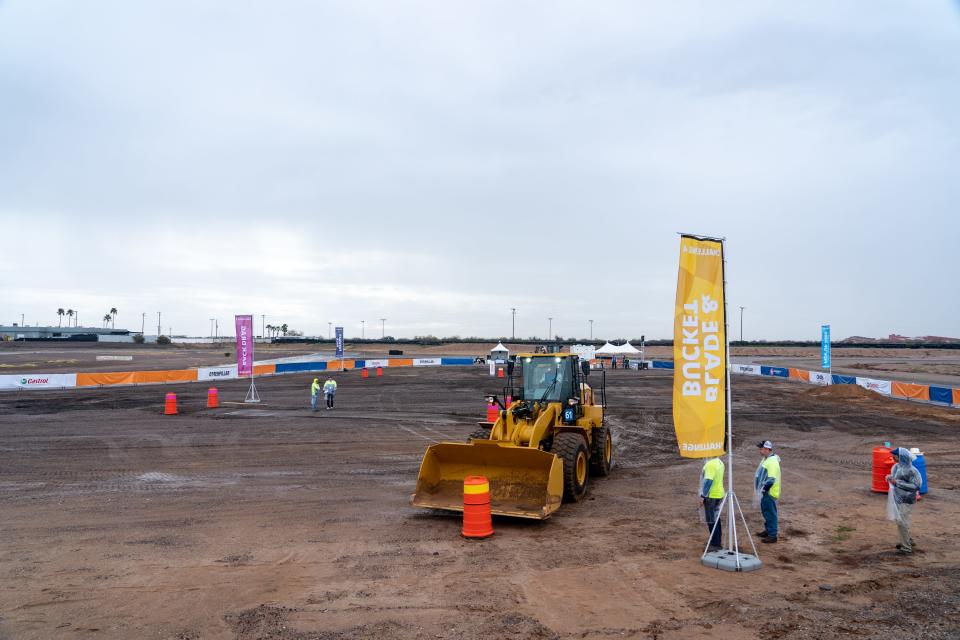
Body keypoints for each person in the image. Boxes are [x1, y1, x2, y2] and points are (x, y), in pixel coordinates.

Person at [886, 447, 922, 554]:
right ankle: (907, 540)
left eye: (895, 456)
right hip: (897, 497)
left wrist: (897, 483)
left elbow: (916, 486)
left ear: (902, 458)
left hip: (907, 499)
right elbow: (894, 478)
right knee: (900, 520)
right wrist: (889, 478)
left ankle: (906, 547)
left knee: (901, 522)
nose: (893, 457)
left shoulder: (912, 471)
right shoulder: (896, 467)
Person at [754, 440, 781, 544]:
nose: (760, 451)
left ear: (767, 449)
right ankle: (768, 530)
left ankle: (772, 535)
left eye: (761, 449)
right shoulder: (767, 459)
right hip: (766, 492)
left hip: (769, 492)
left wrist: (764, 490)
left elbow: (771, 479)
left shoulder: (772, 462)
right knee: (766, 512)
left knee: (770, 513)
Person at [700, 456, 725, 552]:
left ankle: (715, 543)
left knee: (711, 520)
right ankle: (716, 541)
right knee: (716, 518)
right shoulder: (719, 462)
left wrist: (703, 496)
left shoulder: (710, 464)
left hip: (711, 496)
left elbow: (708, 481)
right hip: (719, 494)